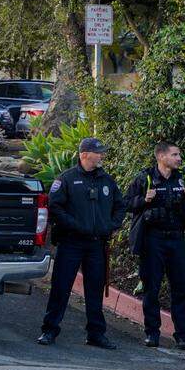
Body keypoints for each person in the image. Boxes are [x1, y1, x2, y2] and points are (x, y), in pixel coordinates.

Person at [38, 137, 128, 349]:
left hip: (97, 244)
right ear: (85, 154)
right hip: (71, 243)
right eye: (98, 152)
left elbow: (120, 205)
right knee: (61, 288)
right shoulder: (67, 179)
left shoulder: (107, 180)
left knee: (95, 289)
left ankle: (96, 334)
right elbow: (55, 207)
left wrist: (110, 225)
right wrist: (75, 225)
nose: (102, 156)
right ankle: (49, 330)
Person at [125, 141, 185, 349]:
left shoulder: (184, 179)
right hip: (153, 240)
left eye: (179, 155)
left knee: (180, 288)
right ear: (161, 157)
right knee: (151, 287)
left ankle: (182, 335)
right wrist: (144, 200)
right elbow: (126, 203)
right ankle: (152, 333)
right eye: (175, 155)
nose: (179, 158)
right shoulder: (145, 178)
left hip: (178, 240)